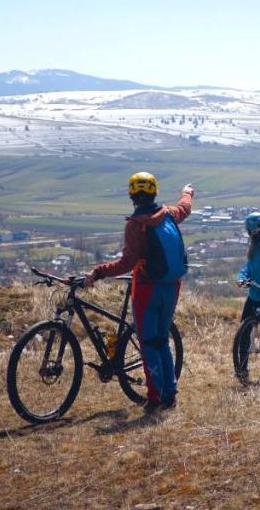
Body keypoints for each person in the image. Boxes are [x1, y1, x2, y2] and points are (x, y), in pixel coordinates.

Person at [86, 171, 194, 412]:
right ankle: (170, 393)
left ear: (131, 196)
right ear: (154, 192)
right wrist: (187, 192)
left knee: (148, 344)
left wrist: (98, 272)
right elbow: (184, 208)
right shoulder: (168, 215)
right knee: (162, 340)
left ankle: (155, 398)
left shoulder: (136, 226)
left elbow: (126, 263)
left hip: (146, 288)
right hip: (171, 285)